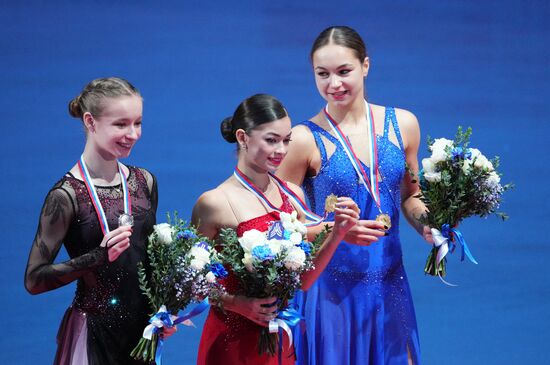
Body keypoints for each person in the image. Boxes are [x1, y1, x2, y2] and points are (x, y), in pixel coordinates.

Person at [276, 26, 433, 365]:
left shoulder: (403, 124)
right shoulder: (302, 139)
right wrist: (334, 229)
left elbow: (410, 196)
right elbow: (282, 221)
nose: (334, 84)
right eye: (323, 74)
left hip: (390, 287)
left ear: (365, 65)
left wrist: (428, 225)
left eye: (344, 71)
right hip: (331, 294)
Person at [191, 94, 360, 365]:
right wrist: (236, 303)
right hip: (230, 343)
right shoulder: (213, 202)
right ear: (243, 138)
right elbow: (192, 282)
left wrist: (337, 233)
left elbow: (303, 281)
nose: (281, 150)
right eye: (271, 140)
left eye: (286, 140)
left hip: (279, 340)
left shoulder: (293, 195)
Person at [24, 77, 159, 364]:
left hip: (142, 336)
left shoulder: (144, 181)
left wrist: (164, 311)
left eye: (138, 123)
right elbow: (34, 280)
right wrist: (97, 257)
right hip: (94, 335)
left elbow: (148, 260)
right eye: (121, 124)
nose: (133, 134)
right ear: (91, 121)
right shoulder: (66, 196)